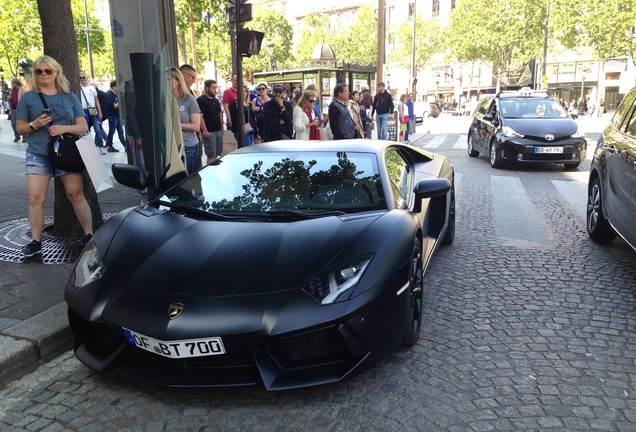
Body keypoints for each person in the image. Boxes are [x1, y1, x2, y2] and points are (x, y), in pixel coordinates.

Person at [14, 55, 93, 257]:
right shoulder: (29, 97)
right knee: (35, 198)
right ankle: (35, 241)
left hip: (66, 153)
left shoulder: (69, 96)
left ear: (56, 72)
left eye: (48, 71)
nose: (43, 74)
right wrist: (35, 125)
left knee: (76, 195)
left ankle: (89, 236)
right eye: (39, 71)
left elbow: (83, 126)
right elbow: (20, 127)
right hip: (38, 154)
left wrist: (62, 128)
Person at [169, 67, 201, 175]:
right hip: (171, 146)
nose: (166, 82)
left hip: (187, 146)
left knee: (186, 179)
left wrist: (176, 125)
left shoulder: (188, 99)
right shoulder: (165, 99)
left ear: (178, 81)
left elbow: (196, 126)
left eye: (169, 79)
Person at [79, 72, 106, 154]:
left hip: (93, 111)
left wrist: (100, 112)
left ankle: (101, 147)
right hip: (83, 111)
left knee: (98, 130)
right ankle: (89, 148)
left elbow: (96, 100)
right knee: (86, 130)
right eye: (80, 78)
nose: (82, 79)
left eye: (83, 77)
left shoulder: (92, 88)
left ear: (86, 78)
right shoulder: (78, 88)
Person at [197, 79, 223, 164]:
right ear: (207, 88)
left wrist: (222, 129)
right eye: (213, 88)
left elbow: (220, 114)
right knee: (211, 155)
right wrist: (204, 131)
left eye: (216, 88)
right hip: (209, 132)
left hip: (218, 131)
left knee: (216, 154)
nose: (215, 90)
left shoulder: (216, 100)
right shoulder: (201, 100)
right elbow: (200, 116)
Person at [104, 80, 125, 152]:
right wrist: (119, 104)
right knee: (112, 131)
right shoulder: (109, 95)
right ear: (113, 87)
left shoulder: (115, 94)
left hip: (116, 115)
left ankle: (125, 145)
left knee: (120, 131)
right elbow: (111, 105)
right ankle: (110, 145)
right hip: (112, 115)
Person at [10, 78, 26, 142]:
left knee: (22, 123)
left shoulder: (22, 89)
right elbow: (11, 96)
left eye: (13, 83)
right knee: (13, 123)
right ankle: (17, 136)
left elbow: (25, 98)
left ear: (16, 83)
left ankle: (25, 137)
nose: (12, 84)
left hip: (21, 109)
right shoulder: (12, 89)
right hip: (13, 109)